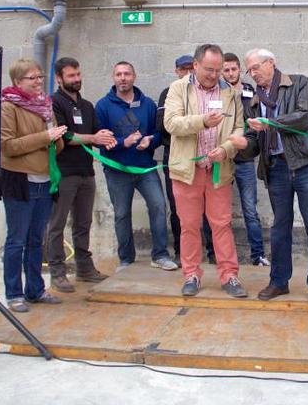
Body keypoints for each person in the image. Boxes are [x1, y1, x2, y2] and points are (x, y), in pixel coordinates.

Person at [229, 48, 308, 303]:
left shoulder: (299, 83)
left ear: (271, 63)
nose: (252, 74)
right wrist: (243, 144)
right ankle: (278, 281)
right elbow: (254, 140)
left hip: (306, 164)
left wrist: (272, 123)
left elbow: (306, 116)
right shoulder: (253, 101)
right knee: (279, 227)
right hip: (276, 168)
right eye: (249, 70)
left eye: (255, 68)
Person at [164, 44, 248, 298]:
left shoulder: (230, 93)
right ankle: (191, 274)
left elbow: (238, 128)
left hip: (217, 171)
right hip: (187, 171)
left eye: (218, 70)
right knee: (189, 226)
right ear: (196, 65)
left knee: (222, 225)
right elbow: (171, 123)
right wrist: (201, 121)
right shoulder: (178, 88)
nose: (214, 75)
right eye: (209, 69)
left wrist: (225, 150)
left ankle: (230, 276)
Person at [0, 58, 66, 313]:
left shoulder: (46, 106)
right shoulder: (7, 107)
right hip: (19, 180)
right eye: (32, 78)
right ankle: (14, 293)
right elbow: (8, 146)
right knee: (17, 240)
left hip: (44, 179)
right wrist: (45, 137)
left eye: (39, 77)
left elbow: (56, 147)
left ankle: (35, 290)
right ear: (17, 82)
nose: (38, 82)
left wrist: (55, 137)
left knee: (37, 240)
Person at [95, 61, 177, 272]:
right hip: (117, 171)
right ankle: (126, 259)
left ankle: (160, 255)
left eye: (127, 74)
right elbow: (99, 140)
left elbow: (159, 134)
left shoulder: (148, 104)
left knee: (159, 206)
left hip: (145, 169)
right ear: (114, 78)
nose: (123, 78)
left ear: (134, 76)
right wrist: (124, 142)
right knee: (122, 214)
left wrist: (151, 140)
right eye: (118, 74)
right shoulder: (103, 106)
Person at [44, 57, 117, 293]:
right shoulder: (54, 104)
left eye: (78, 74)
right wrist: (93, 139)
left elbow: (96, 132)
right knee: (57, 224)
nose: (76, 79)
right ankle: (57, 272)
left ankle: (85, 268)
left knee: (83, 223)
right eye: (70, 76)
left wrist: (106, 136)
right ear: (59, 78)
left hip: (86, 172)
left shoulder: (87, 106)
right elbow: (63, 136)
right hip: (64, 173)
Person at [156, 55, 215, 264]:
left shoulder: (205, 93)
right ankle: (183, 254)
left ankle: (213, 254)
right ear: (176, 71)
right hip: (178, 158)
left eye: (191, 68)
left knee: (211, 211)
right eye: (183, 69)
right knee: (180, 211)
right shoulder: (171, 92)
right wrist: (196, 123)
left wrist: (188, 123)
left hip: (206, 159)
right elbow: (164, 126)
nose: (188, 72)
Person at [222, 52, 268, 267]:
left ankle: (257, 256)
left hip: (245, 158)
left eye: (234, 69)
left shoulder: (251, 90)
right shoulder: (217, 92)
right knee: (220, 211)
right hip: (223, 158)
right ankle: (217, 256)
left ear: (240, 69)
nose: (230, 73)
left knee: (250, 208)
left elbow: (255, 117)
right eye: (226, 70)